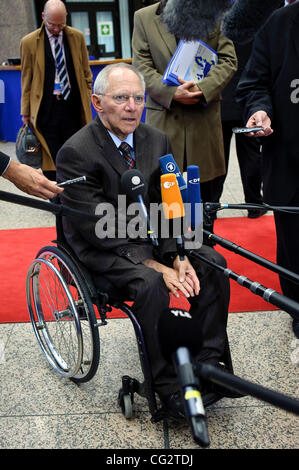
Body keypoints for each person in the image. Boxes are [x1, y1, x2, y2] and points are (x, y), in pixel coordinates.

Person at [56, 63, 233, 419]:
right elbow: (95, 226)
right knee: (151, 284)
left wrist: (179, 254)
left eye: (138, 98)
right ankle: (167, 386)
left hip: (155, 239)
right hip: (104, 248)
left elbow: (170, 203)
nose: (132, 106)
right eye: (120, 98)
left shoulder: (156, 139)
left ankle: (209, 364)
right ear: (97, 102)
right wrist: (155, 264)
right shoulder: (76, 152)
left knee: (212, 262)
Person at [131, 0, 237, 205]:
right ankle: (170, 237)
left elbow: (228, 60)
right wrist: (170, 92)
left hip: (203, 119)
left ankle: (204, 237)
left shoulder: (216, 12)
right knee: (165, 198)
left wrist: (203, 88)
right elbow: (141, 65)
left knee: (207, 199)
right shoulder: (143, 17)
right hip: (165, 120)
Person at [236, 3, 299, 338]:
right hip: (290, 160)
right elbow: (253, 83)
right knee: (293, 245)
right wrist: (260, 111)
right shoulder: (278, 24)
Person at [20, 0, 92, 180]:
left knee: (75, 149)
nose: (56, 29)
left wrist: (88, 93)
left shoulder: (77, 37)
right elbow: (26, 79)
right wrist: (25, 112)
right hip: (46, 107)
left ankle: (73, 189)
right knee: (50, 152)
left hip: (73, 105)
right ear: (44, 17)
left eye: (61, 24)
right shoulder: (29, 42)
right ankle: (54, 194)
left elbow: (85, 71)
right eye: (52, 24)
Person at [213, 40, 266, 219]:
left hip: (220, 102)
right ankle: (254, 204)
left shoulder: (217, 28)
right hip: (246, 102)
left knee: (219, 158)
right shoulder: (254, 29)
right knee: (251, 155)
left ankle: (212, 204)